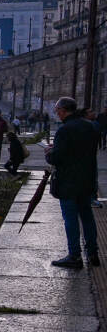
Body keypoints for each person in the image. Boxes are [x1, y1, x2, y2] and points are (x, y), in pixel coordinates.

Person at [46, 96, 99, 268]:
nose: (57, 114)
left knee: (70, 219)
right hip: (87, 180)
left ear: (63, 110)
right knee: (87, 217)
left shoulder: (64, 130)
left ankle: (75, 256)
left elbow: (57, 158)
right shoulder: (91, 127)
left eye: (57, 111)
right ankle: (93, 253)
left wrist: (49, 152)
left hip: (68, 182)